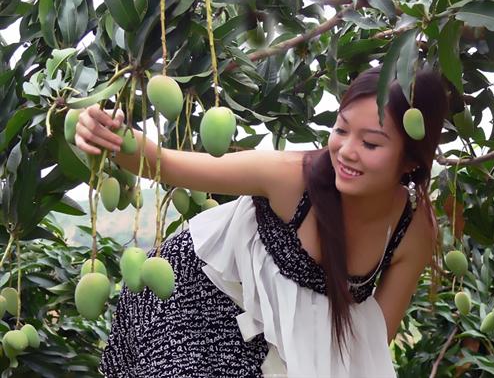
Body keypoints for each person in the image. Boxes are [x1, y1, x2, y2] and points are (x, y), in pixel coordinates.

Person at [74, 65, 449, 377]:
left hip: (267, 336)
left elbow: (370, 341)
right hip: (190, 299)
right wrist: (105, 133)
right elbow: (166, 164)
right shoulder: (291, 178)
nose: (346, 151)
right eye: (341, 129)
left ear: (411, 160)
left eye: (370, 143)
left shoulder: (411, 231)